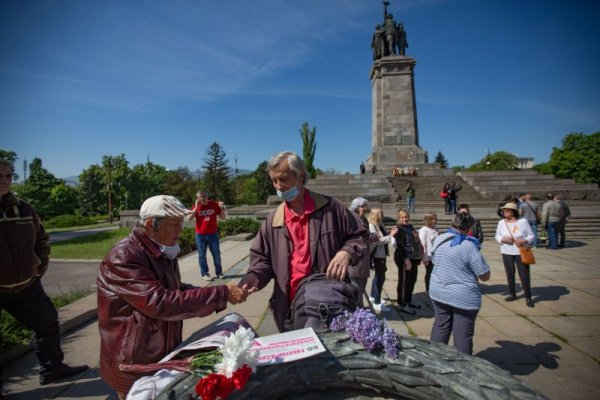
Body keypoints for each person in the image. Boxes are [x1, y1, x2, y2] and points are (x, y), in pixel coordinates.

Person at [97, 194, 249, 398]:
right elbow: (160, 302)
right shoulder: (124, 256)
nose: (181, 228)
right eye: (174, 223)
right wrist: (221, 293)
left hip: (156, 349)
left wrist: (220, 294)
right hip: (133, 358)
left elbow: (174, 289)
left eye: (181, 222)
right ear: (152, 225)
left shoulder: (160, 249)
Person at [238, 151, 369, 332]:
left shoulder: (331, 208)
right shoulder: (273, 220)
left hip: (327, 304)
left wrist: (346, 251)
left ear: (300, 177)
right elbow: (262, 258)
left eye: (283, 179)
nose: (278, 186)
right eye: (274, 181)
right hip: (289, 308)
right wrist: (255, 275)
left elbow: (360, 235)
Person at [0, 159, 89, 392]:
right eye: (0, 176)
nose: (5, 181)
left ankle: (52, 369)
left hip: (27, 285)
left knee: (48, 322)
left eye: (8, 176)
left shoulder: (25, 209)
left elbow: (41, 240)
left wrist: (38, 269)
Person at [429, 213, 491, 355]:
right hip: (463, 296)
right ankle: (463, 366)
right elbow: (485, 275)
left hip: (439, 291)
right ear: (469, 227)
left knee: (440, 326)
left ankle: (434, 357)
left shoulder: (439, 239)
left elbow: (435, 261)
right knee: (463, 335)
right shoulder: (469, 245)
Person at [495, 202, 535, 307]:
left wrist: (524, 241)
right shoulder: (501, 222)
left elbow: (531, 236)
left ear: (514, 212)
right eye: (504, 210)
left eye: (507, 210)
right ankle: (512, 293)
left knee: (524, 274)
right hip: (506, 251)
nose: (505, 212)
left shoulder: (523, 222)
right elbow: (497, 235)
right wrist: (502, 239)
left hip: (520, 251)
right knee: (510, 273)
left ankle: (528, 297)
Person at [190, 190, 227, 281]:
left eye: (203, 196)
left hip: (212, 235)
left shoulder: (214, 204)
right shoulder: (196, 206)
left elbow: (223, 218)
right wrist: (196, 207)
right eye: (200, 197)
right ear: (197, 198)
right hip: (200, 236)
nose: (202, 198)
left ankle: (219, 272)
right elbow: (189, 218)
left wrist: (222, 208)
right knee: (202, 255)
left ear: (207, 196)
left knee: (216, 254)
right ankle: (204, 273)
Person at [367, 208, 398, 312]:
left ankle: (372, 296)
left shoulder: (380, 224)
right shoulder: (371, 225)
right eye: (381, 214)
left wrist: (390, 233)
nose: (383, 215)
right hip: (377, 255)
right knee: (381, 278)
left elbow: (383, 236)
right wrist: (391, 235)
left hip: (382, 254)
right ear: (376, 215)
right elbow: (377, 241)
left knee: (378, 276)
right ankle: (377, 302)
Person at [392, 209, 422, 315]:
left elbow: (414, 242)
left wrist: (418, 257)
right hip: (403, 258)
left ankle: (408, 301)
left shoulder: (410, 226)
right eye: (402, 217)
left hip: (413, 257)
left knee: (411, 281)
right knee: (403, 282)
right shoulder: (398, 229)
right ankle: (402, 304)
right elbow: (400, 245)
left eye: (406, 217)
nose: (405, 219)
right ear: (399, 218)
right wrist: (406, 259)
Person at [349, 197, 373, 307]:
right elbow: (358, 237)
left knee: (362, 285)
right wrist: (372, 237)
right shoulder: (352, 219)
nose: (364, 208)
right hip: (356, 257)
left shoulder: (364, 219)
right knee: (355, 286)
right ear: (356, 207)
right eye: (361, 206)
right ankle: (357, 310)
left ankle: (360, 307)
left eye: (364, 206)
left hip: (365, 256)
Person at [418, 212, 439, 292]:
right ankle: (428, 289)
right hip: (429, 256)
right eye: (433, 219)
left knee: (436, 273)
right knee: (430, 272)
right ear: (428, 220)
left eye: (435, 218)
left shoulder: (435, 228)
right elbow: (422, 245)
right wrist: (424, 258)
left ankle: (435, 288)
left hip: (436, 255)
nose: (435, 220)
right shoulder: (423, 231)